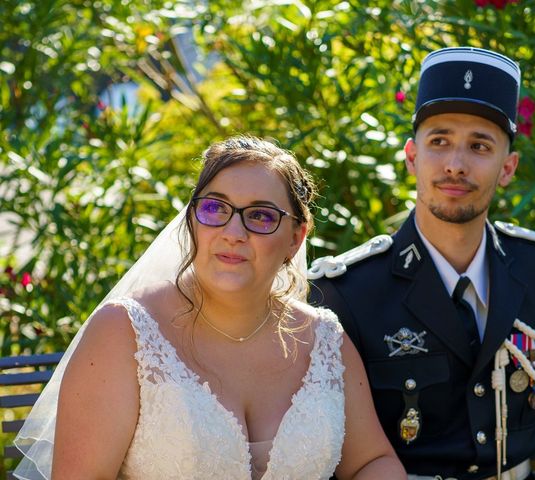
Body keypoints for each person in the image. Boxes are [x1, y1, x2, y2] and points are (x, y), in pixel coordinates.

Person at [309, 47, 535, 479]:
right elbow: (327, 455)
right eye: (439, 141)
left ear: (508, 167)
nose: (455, 165)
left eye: (480, 146)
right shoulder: (348, 294)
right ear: (412, 156)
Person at [14, 136, 407, 480]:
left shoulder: (324, 340)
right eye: (215, 209)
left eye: (260, 216)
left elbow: (372, 461)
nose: (233, 233)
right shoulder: (125, 332)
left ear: (295, 238)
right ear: (192, 220)